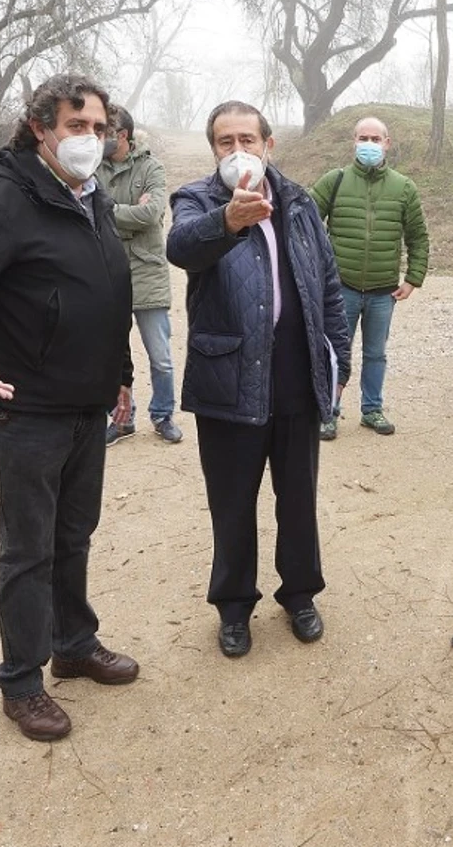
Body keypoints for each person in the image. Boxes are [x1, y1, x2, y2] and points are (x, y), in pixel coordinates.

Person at [0, 74, 140, 744]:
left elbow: (107, 287)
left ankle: (74, 642)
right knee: (27, 548)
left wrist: (121, 372)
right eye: (77, 126)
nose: (90, 140)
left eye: (99, 129)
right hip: (29, 407)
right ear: (40, 127)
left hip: (87, 400)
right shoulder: (1, 198)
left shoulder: (92, 195)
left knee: (74, 534)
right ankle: (21, 681)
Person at [167, 101, 353, 659]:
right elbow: (181, 248)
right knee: (232, 501)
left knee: (298, 497)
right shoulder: (199, 200)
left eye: (248, 138)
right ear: (214, 150)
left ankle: (299, 594)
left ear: (269, 144)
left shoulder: (297, 202)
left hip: (296, 374)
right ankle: (233, 606)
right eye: (226, 141)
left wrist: (337, 359)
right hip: (229, 379)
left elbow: (328, 285)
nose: (238, 149)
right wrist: (227, 221)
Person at [311, 116, 430, 440]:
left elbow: (418, 237)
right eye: (363, 138)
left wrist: (413, 278)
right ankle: (328, 412)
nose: (369, 144)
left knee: (376, 353)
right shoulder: (333, 181)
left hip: (383, 293)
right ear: (353, 141)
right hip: (340, 289)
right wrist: (316, 273)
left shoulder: (404, 187)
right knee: (336, 351)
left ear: (387, 143)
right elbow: (304, 224)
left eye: (375, 139)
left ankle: (372, 409)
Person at [97, 104, 182, 445]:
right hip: (105, 271)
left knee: (159, 355)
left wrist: (108, 212)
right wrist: (123, 214)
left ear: (124, 135)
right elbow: (84, 211)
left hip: (147, 271)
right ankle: (121, 419)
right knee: (113, 355)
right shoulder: (92, 168)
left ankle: (163, 415)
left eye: (107, 130)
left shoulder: (152, 167)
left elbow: (151, 214)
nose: (100, 136)